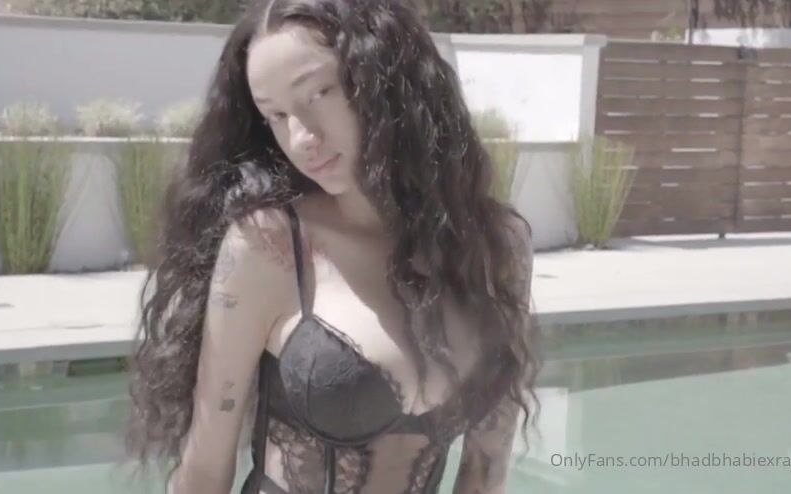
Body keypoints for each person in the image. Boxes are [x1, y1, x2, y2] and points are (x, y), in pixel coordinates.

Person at [124, 0, 542, 493]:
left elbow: (485, 471)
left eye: (320, 92)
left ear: (388, 77)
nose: (301, 137)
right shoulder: (268, 245)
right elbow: (204, 471)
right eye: (276, 115)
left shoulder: (496, 247)